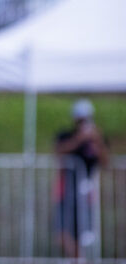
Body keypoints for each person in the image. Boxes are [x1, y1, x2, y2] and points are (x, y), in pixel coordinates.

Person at [55, 99, 109, 259]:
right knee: (62, 232)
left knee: (84, 234)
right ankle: (77, 259)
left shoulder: (97, 138)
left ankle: (80, 259)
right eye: (80, 119)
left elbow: (106, 162)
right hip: (66, 191)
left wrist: (97, 141)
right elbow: (58, 152)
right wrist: (80, 139)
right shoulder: (66, 135)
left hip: (87, 194)